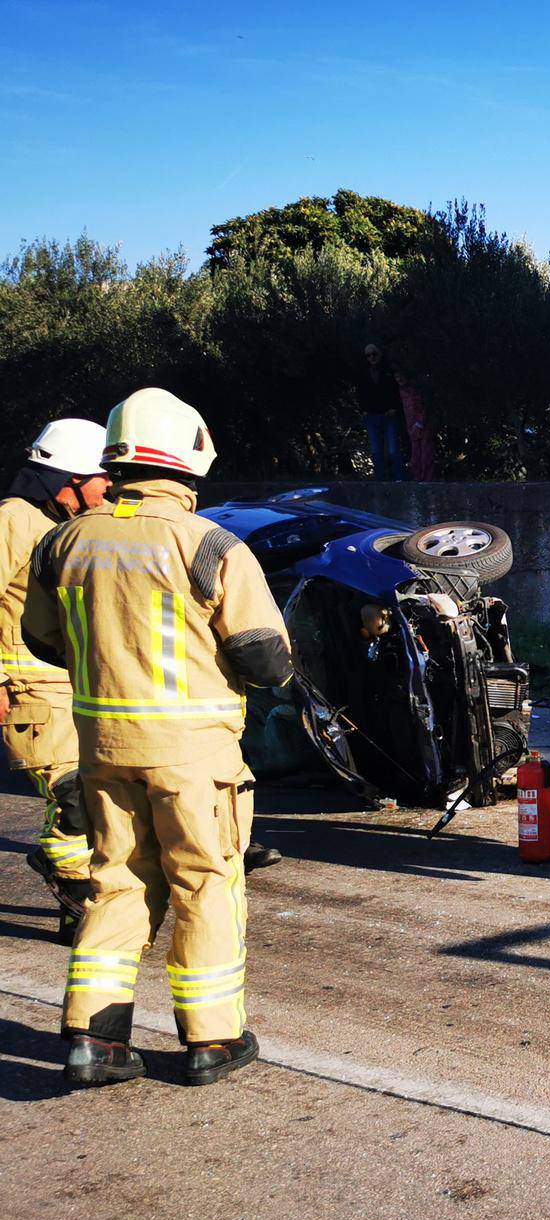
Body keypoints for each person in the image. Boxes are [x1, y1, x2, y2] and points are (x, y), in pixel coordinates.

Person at [21, 388, 293, 1086]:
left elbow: (44, 639)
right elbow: (266, 659)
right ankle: (212, 1039)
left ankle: (95, 1040)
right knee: (205, 883)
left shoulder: (64, 540)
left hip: (103, 749)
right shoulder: (210, 545)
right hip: (193, 756)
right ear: (190, 460)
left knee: (117, 884)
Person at [2, 419, 112, 940]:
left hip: (80, 686)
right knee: (72, 796)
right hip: (32, 693)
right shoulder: (14, 520)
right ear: (65, 478)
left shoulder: (70, 524)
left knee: (100, 794)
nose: (108, 486)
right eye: (99, 476)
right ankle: (70, 883)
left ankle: (69, 884)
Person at [355, 342, 409, 483]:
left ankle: (399, 479)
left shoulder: (389, 370)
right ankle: (381, 480)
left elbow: (397, 390)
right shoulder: (363, 372)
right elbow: (360, 392)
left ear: (379, 353)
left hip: (388, 414)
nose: (371, 357)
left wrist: (394, 408)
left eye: (374, 354)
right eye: (368, 355)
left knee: (393, 449)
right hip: (371, 415)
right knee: (376, 450)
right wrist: (364, 410)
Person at [394, 367, 437, 483]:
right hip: (411, 426)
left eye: (401, 376)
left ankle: (427, 480)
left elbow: (423, 406)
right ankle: (418, 479)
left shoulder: (416, 389)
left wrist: (420, 422)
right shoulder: (401, 391)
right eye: (396, 377)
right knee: (416, 456)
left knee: (426, 455)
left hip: (423, 425)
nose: (399, 379)